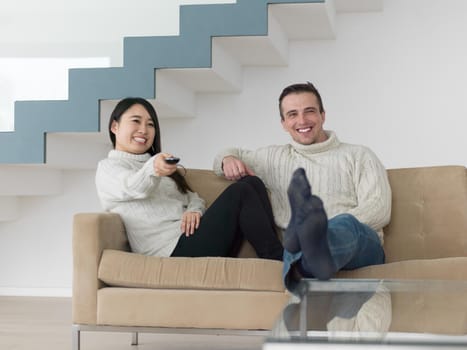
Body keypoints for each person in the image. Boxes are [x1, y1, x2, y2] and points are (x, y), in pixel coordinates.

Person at [213, 82, 391, 289]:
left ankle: (307, 253)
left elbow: (380, 209)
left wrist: (325, 228)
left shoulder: (359, 155)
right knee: (300, 238)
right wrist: (228, 158)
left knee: (343, 224)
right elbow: (225, 155)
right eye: (292, 114)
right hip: (302, 249)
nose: (302, 120)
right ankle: (303, 268)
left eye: (309, 111)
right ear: (283, 123)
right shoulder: (272, 158)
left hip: (358, 244)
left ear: (323, 115)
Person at [95, 97, 283, 261]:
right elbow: (134, 187)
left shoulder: (161, 170)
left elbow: (193, 198)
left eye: (150, 124)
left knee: (251, 183)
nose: (143, 130)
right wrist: (153, 167)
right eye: (136, 121)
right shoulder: (109, 168)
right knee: (240, 192)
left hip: (192, 238)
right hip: (169, 251)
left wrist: (194, 211)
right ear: (114, 126)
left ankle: (277, 262)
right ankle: (281, 263)